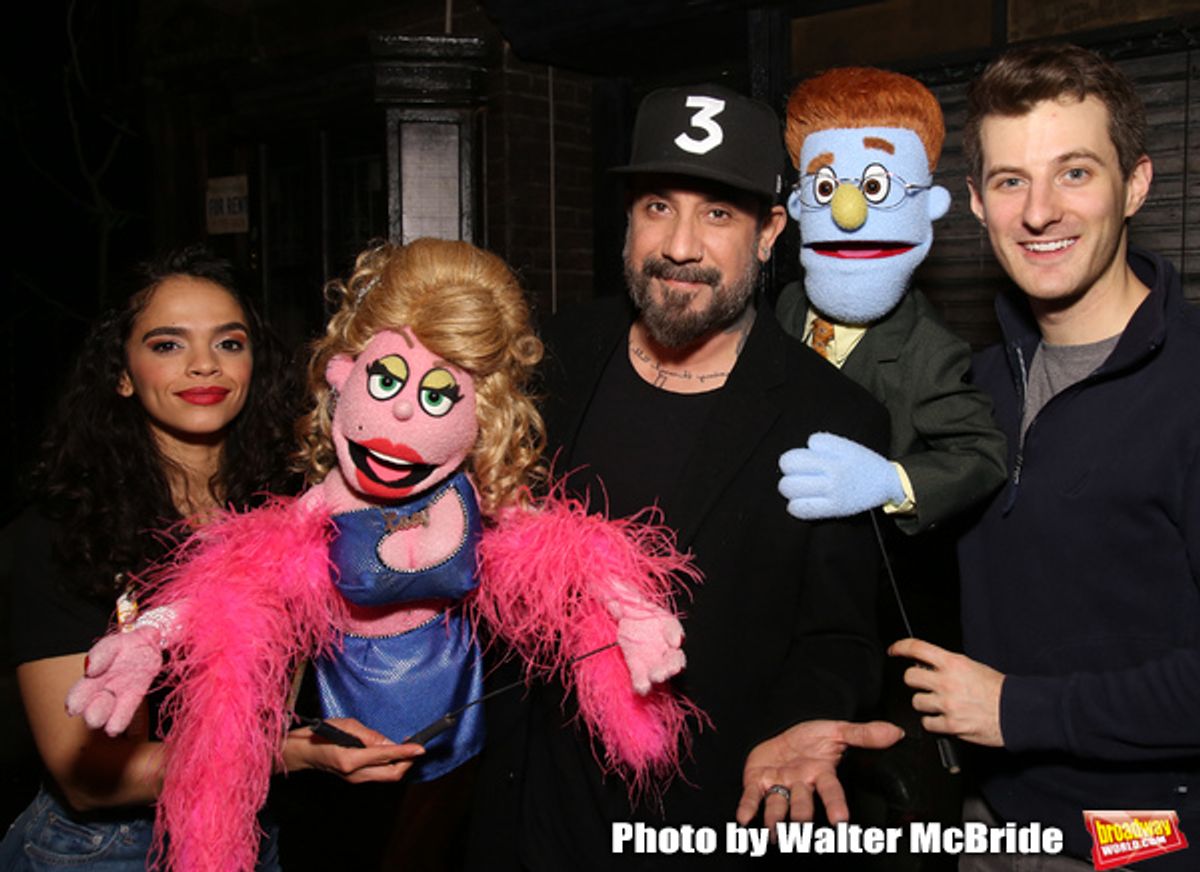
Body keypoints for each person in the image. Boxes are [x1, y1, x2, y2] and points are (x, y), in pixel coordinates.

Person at [466, 83, 902, 871]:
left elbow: (838, 636)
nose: (680, 246)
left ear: (770, 234)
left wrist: (803, 721)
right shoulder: (550, 355)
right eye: (658, 207)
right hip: (526, 805)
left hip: (698, 818)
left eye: (719, 214)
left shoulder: (833, 417)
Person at [0, 246, 414, 871]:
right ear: (122, 373)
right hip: (105, 850)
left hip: (252, 833)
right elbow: (87, 778)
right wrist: (290, 754)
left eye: (229, 343)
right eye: (168, 344)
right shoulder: (67, 531)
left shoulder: (286, 509)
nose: (204, 365)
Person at [890, 43, 1200, 871]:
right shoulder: (972, 388)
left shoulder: (1190, 386)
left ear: (1135, 184)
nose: (1039, 213)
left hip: (1143, 839)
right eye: (1009, 181)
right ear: (975, 202)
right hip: (991, 821)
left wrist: (1017, 711)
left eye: (1075, 173)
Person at [775, 66, 1006, 533]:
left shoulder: (928, 349)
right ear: (800, 206)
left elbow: (984, 455)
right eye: (825, 189)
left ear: (929, 205)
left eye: (875, 188)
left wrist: (891, 482)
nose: (848, 211)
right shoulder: (786, 305)